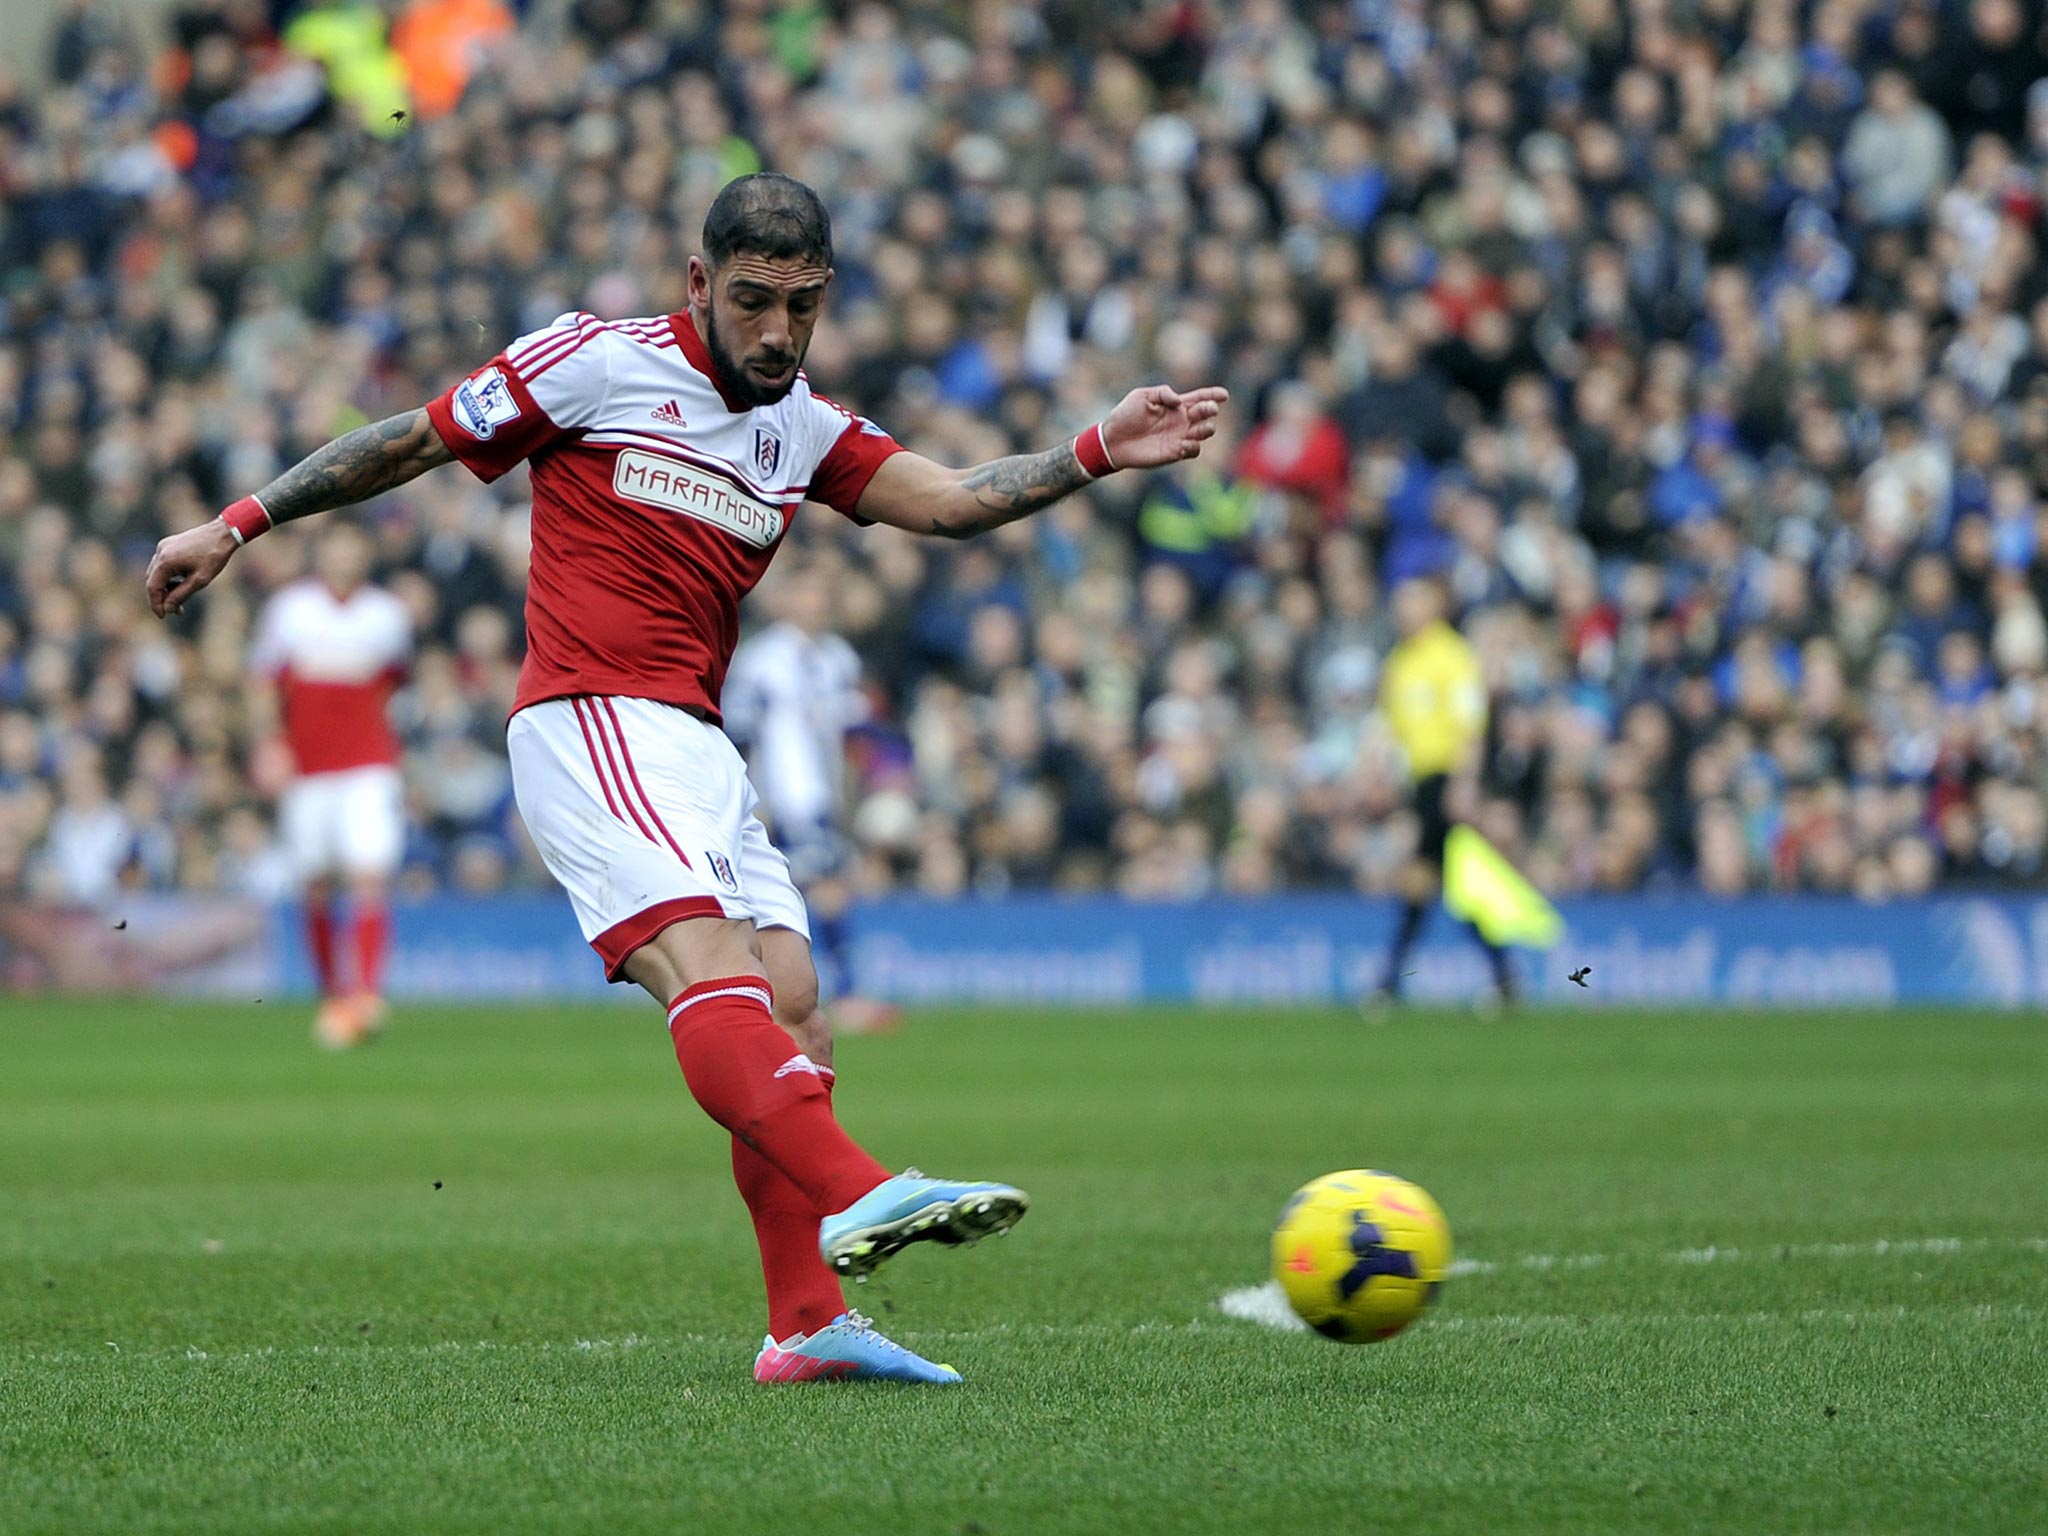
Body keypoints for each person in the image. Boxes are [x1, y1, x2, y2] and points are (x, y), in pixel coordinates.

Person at [144, 171, 1228, 1384]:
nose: (776, 331)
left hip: (697, 745)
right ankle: (861, 1189)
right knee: (712, 971)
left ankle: (806, 1324)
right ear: (700, 283)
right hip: (588, 715)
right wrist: (235, 524)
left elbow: (952, 504)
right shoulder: (594, 364)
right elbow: (409, 440)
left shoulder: (799, 425)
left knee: (796, 995)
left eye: (802, 307)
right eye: (754, 300)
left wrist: (1092, 450)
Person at [250, 519, 411, 1048]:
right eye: (336, 550)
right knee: (316, 881)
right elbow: (264, 684)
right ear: (322, 556)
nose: (344, 560)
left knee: (369, 874)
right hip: (308, 769)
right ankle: (333, 994)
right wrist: (270, 744)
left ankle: (365, 993)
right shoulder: (291, 611)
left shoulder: (386, 616)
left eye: (352, 550)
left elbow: (394, 690)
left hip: (368, 764)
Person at [722, 565, 900, 1035]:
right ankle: (845, 994)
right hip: (784, 796)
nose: (816, 604)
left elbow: (854, 733)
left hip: (824, 797)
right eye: (807, 593)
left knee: (809, 891)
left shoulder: (837, 658)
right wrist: (749, 800)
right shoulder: (764, 659)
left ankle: (778, 995)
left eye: (823, 594)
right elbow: (739, 733)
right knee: (822, 890)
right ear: (787, 600)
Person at [1370, 577, 1516, 1007]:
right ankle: (1503, 978)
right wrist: (1375, 769)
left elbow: (1470, 726)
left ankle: (1390, 981)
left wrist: (1464, 783)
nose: (1403, 611)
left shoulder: (1451, 656)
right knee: (1450, 883)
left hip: (1447, 779)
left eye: (1411, 602)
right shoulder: (1401, 660)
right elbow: (1390, 725)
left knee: (1427, 878)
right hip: (1421, 781)